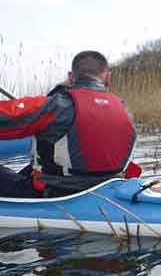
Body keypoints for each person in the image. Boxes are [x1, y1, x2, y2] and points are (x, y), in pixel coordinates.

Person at [0, 50, 137, 198]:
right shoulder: (124, 108)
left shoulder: (56, 106)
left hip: (56, 193)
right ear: (108, 78)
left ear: (71, 77)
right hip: (106, 187)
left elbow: (8, 118)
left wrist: (60, 90)